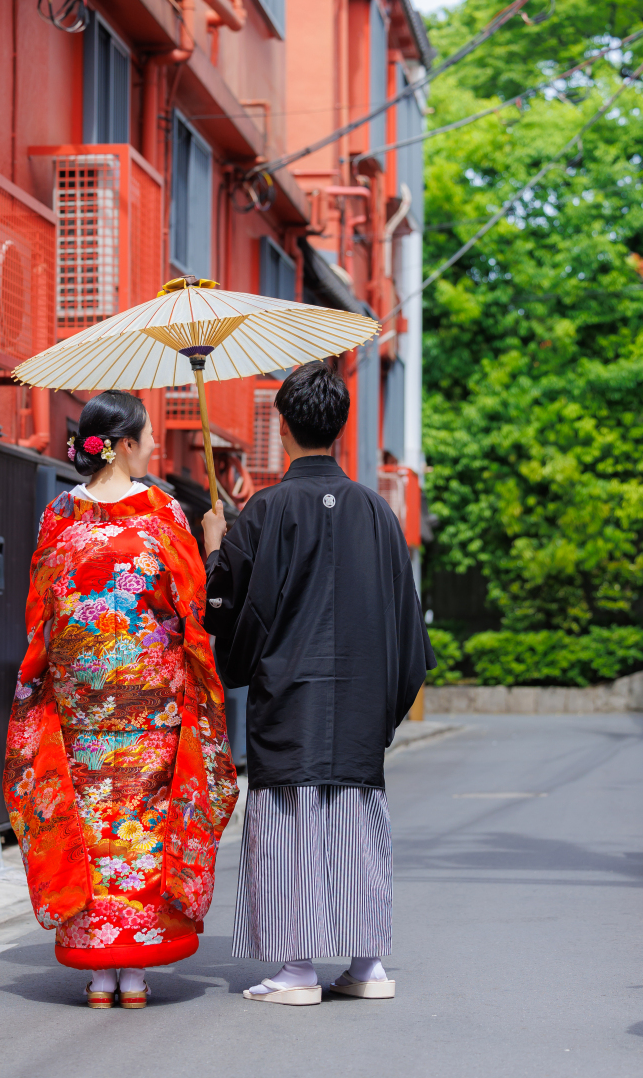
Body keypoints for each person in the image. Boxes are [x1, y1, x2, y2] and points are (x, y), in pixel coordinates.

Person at [202, 361, 435, 1006]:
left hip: (292, 696)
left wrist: (217, 548)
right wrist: (382, 706)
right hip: (360, 701)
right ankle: (367, 967)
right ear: (340, 427)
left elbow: (227, 608)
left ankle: (298, 971)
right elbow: (405, 626)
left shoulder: (264, 511)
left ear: (282, 428)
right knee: (358, 829)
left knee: (288, 832)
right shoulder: (377, 513)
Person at [4, 390, 238, 1009]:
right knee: (144, 830)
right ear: (126, 444)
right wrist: (215, 543)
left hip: (81, 711)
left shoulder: (59, 515)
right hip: (151, 710)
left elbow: (41, 613)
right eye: (150, 435)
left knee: (88, 825)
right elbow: (191, 607)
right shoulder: (163, 512)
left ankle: (99, 970)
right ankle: (135, 972)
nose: (158, 446)